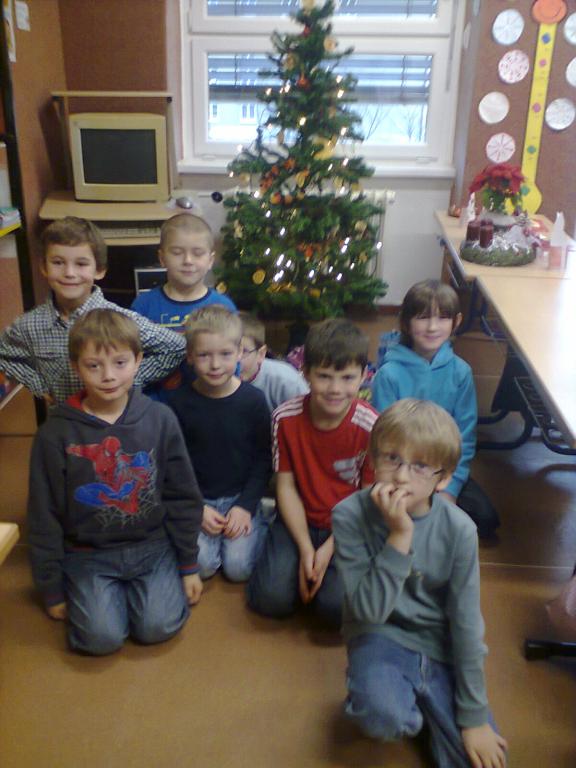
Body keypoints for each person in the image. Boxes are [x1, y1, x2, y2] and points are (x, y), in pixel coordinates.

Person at [333, 399, 508, 768]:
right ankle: (411, 705)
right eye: (392, 458)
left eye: (421, 466)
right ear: (373, 458)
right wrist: (399, 536)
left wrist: (474, 717)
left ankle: (429, 707)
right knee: (381, 716)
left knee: (479, 759)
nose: (401, 476)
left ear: (443, 479)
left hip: (441, 646)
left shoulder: (460, 530)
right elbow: (368, 611)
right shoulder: (349, 515)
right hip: (379, 634)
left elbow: (466, 625)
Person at [27, 309, 203, 655]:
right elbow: (43, 514)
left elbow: (182, 495)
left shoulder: (160, 418)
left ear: (138, 361)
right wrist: (52, 588)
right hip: (87, 555)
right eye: (94, 366)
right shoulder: (54, 433)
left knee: (156, 627)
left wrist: (188, 564)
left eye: (120, 363)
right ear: (76, 367)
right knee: (100, 639)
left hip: (152, 546)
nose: (108, 376)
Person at [247, 319, 378, 629]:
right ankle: (290, 561)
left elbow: (368, 497)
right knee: (270, 601)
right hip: (299, 519)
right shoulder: (285, 418)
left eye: (347, 378)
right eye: (324, 376)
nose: (335, 389)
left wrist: (328, 549)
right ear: (305, 373)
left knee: (333, 611)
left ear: (363, 375)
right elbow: (286, 487)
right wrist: (307, 549)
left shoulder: (372, 426)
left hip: (349, 525)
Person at [0, 217, 186, 405]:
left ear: (99, 270)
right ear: (44, 267)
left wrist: (127, 379)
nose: (69, 273)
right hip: (65, 419)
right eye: (58, 262)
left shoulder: (120, 320)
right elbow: (3, 355)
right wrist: (38, 385)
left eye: (81, 264)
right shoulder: (29, 326)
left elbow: (177, 346)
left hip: (118, 417)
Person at [371, 279, 499, 539]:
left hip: (442, 470)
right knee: (391, 515)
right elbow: (382, 440)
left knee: (486, 519)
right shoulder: (389, 374)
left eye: (442, 318)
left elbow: (465, 436)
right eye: (422, 317)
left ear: (456, 321)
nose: (432, 327)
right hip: (402, 469)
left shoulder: (461, 372)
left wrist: (450, 489)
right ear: (406, 322)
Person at [166, 305, 271, 583]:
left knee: (238, 569)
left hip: (241, 497)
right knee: (202, 566)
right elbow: (174, 466)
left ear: (239, 352)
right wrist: (196, 508)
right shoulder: (178, 404)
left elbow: (264, 458)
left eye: (225, 354)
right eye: (204, 355)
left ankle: (262, 521)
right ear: (190, 356)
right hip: (199, 501)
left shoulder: (253, 401)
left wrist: (245, 506)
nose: (215, 365)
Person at [131, 213, 236, 332]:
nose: (188, 261)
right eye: (177, 253)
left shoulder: (224, 307)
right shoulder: (144, 305)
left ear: (210, 260)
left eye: (197, 253)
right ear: (162, 258)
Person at [238, 312, 309, 413]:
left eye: (243, 351)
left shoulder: (287, 381)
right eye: (226, 353)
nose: (235, 358)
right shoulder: (217, 378)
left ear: (261, 354)